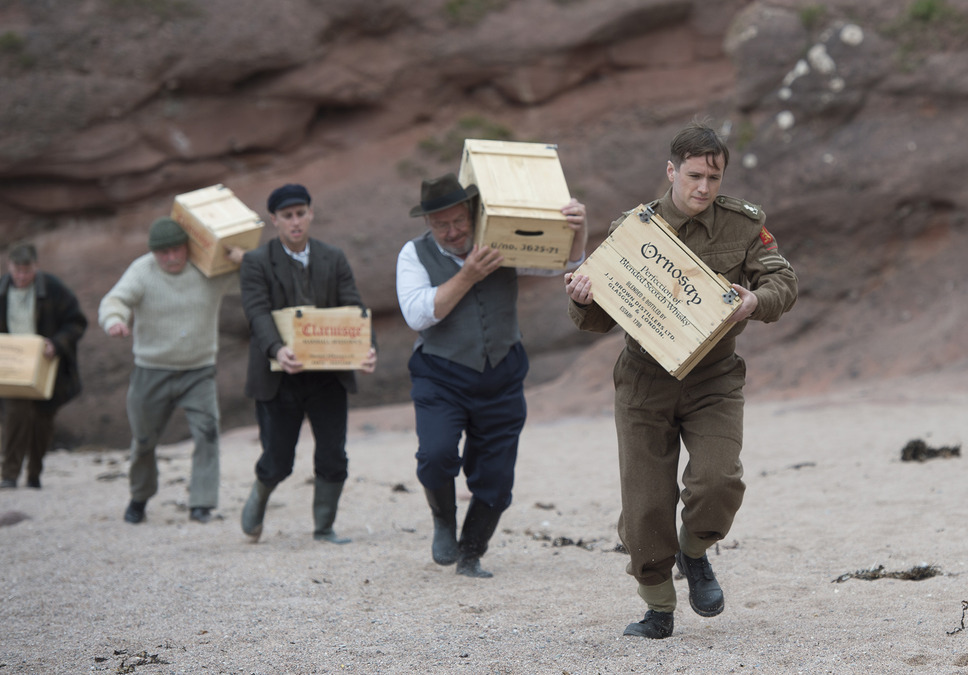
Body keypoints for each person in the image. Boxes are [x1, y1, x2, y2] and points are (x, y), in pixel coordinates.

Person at [565, 120, 798, 638]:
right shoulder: (635, 229)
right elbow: (600, 317)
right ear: (671, 171)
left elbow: (782, 280)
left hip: (714, 375)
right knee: (646, 505)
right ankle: (658, 607)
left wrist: (753, 302)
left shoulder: (742, 225)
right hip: (644, 381)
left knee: (718, 480)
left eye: (713, 179)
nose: (703, 189)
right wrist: (582, 296)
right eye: (693, 176)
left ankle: (694, 553)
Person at [396, 172, 588, 578]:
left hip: (501, 373)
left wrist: (578, 228)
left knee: (497, 480)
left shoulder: (501, 240)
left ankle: (471, 553)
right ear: (427, 225)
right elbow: (418, 314)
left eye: (458, 221)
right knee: (435, 456)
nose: (451, 232)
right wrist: (468, 274)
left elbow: (564, 263)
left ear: (471, 213)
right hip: (440, 375)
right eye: (440, 225)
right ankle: (443, 522)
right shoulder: (412, 255)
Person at [239, 183, 377, 544]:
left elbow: (353, 307)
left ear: (311, 214)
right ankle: (259, 495)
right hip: (278, 377)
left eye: (301, 213)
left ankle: (324, 526)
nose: (295, 222)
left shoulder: (334, 257)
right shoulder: (256, 262)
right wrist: (276, 349)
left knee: (333, 454)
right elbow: (256, 312)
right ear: (274, 220)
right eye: (287, 216)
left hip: (328, 375)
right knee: (278, 458)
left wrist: (367, 348)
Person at [99, 217, 243, 524]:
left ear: (187, 248)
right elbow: (117, 299)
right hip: (151, 370)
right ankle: (139, 498)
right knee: (144, 440)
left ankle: (201, 504)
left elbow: (250, 280)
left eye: (177, 250)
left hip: (199, 370)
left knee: (207, 434)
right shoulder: (142, 270)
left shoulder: (206, 268)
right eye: (163, 253)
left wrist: (244, 259)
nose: (172, 258)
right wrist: (114, 319)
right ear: (154, 253)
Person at [0, 242, 87, 489]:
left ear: (35, 267)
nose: (22, 277)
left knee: (42, 420)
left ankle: (34, 473)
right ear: (10, 267)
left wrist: (56, 344)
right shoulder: (2, 290)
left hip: (46, 366)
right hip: (11, 366)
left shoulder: (53, 289)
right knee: (14, 417)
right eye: (17, 271)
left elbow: (76, 322)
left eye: (26, 271)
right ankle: (9, 474)